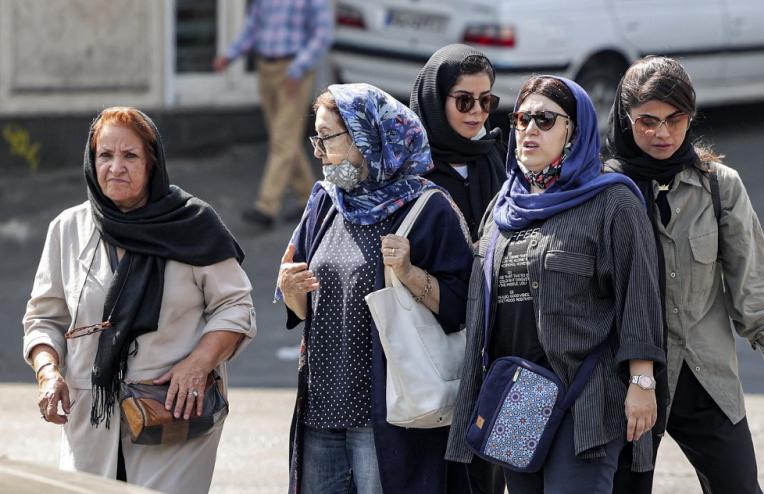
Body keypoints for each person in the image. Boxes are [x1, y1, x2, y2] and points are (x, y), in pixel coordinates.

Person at [445, 75, 667, 493]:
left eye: (545, 119)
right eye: (521, 119)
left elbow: (638, 295)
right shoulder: (503, 207)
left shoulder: (612, 202)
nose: (529, 129)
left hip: (584, 398)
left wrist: (643, 382)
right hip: (516, 397)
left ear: (574, 131)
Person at [22, 107, 257, 493]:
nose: (116, 167)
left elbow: (236, 307)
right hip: (91, 420)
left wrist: (198, 363)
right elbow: (44, 317)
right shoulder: (68, 229)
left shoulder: (193, 225)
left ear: (152, 163)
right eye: (105, 155)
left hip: (172, 416)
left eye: (130, 156)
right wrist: (48, 373)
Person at [606, 56, 764, 494]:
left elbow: (749, 275)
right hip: (630, 383)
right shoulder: (605, 190)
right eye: (646, 121)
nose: (663, 133)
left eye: (675, 119)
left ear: (691, 117)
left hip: (705, 374)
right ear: (624, 118)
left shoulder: (719, 184)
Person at [276, 83, 473, 493]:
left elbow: (461, 307)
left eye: (327, 137)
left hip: (389, 416)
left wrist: (409, 272)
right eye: (316, 137)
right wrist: (290, 287)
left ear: (367, 137)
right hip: (321, 411)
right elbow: (299, 312)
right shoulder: (325, 202)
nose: (318, 151)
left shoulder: (427, 208)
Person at [213, 0, 334, 229]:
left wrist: (297, 69)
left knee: (282, 140)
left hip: (295, 71)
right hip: (266, 68)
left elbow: (322, 34)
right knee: (284, 140)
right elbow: (253, 26)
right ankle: (312, 197)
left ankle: (266, 206)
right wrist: (230, 55)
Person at [410, 43, 506, 243]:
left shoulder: (494, 153)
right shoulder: (409, 166)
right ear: (435, 99)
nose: (477, 110)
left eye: (486, 100)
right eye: (464, 100)